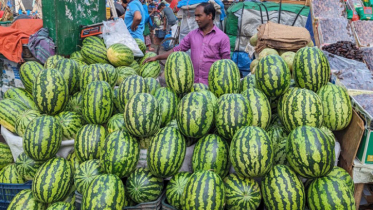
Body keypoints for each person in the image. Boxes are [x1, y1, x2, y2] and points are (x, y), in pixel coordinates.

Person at [144, 2, 230, 85]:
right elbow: (177, 50)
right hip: (194, 84)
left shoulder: (222, 38)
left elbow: (226, 64)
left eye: (199, 16)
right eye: (195, 16)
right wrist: (157, 57)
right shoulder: (192, 35)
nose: (196, 19)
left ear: (210, 16)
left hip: (212, 84)